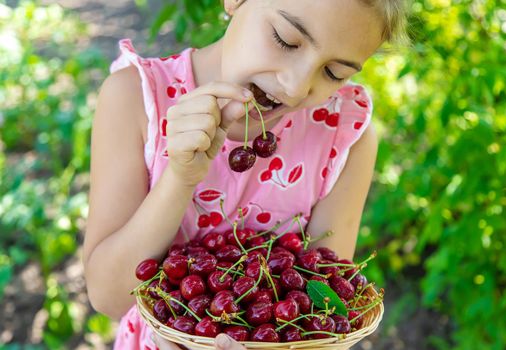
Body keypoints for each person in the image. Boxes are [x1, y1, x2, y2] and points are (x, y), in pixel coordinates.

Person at [82, 0, 409, 348]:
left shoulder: (342, 136)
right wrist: (180, 177)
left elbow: (324, 309)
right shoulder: (136, 99)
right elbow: (110, 296)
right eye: (285, 39)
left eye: (334, 73)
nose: (296, 87)